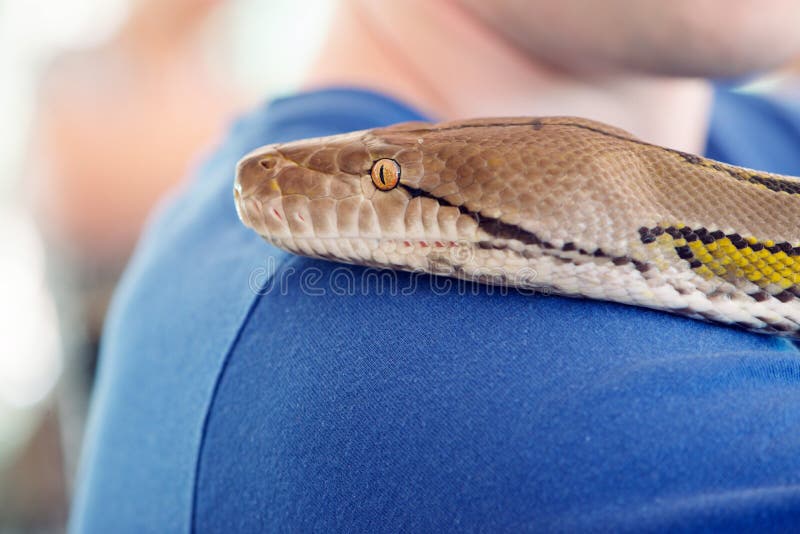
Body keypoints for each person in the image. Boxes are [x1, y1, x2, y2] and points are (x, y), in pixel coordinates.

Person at [70, 1, 800, 531]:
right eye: (387, 181)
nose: (377, 185)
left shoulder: (754, 131)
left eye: (387, 182)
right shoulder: (455, 405)